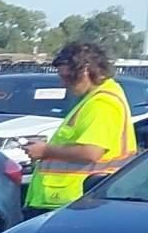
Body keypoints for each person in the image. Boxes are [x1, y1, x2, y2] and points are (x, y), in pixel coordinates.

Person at [22, 40, 137, 211]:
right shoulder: (93, 99)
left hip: (75, 203)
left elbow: (91, 152)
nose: (63, 84)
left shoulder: (102, 103)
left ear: (84, 70)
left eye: (67, 77)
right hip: (72, 202)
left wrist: (45, 151)